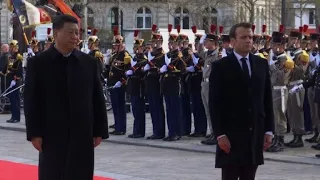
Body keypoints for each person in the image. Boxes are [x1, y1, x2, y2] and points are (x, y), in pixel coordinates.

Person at [24, 15, 109, 180]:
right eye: (70, 32)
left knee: (80, 173)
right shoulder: (39, 63)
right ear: (56, 33)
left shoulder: (88, 63)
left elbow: (97, 98)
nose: (75, 37)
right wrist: (34, 133)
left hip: (82, 134)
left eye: (77, 33)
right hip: (52, 134)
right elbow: (31, 101)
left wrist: (99, 130)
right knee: (53, 173)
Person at [209, 22, 274, 180]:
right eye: (243, 37)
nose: (248, 41)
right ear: (233, 41)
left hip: (254, 133)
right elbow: (214, 103)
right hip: (231, 135)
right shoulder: (220, 66)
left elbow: (267, 99)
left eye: (250, 37)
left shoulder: (261, 64)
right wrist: (220, 134)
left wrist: (269, 130)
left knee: (249, 176)